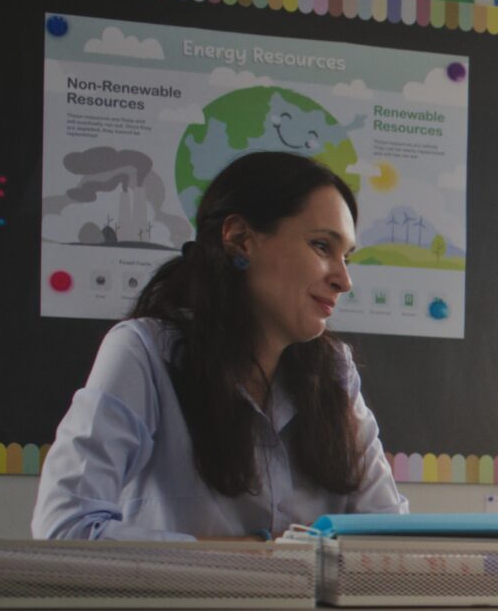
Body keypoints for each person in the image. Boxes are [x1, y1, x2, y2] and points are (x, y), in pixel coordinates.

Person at [33, 151, 408, 540]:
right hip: (187, 604)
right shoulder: (144, 352)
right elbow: (64, 529)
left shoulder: (334, 371)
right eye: (320, 246)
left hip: (303, 604)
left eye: (346, 257)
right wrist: (254, 557)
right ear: (240, 240)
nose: (344, 281)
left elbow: (389, 536)